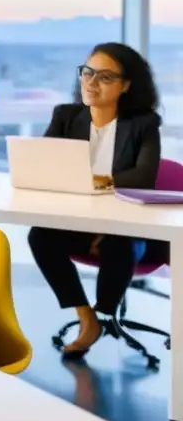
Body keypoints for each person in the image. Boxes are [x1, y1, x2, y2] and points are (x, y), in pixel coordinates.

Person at [28, 43, 165, 358]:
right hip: (77, 222)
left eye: (105, 77)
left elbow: (143, 177)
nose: (91, 83)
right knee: (40, 235)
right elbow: (48, 167)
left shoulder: (144, 124)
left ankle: (104, 312)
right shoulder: (65, 116)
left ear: (126, 85)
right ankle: (85, 316)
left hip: (127, 228)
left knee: (118, 243)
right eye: (87, 72)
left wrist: (92, 181)